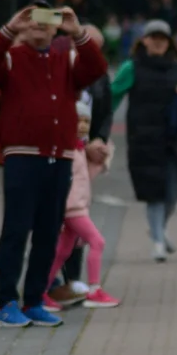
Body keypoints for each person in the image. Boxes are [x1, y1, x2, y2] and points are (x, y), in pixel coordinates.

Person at [0, 2, 108, 328]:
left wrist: (77, 32)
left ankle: (35, 299)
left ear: (55, 26)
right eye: (33, 19)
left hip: (60, 157)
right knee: (16, 230)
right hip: (23, 157)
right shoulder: (12, 57)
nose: (39, 26)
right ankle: (7, 301)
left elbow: (97, 69)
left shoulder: (67, 59)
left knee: (49, 233)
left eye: (48, 21)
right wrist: (10, 28)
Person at [111, 20, 177, 262]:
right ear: (145, 40)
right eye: (153, 37)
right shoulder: (131, 67)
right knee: (154, 193)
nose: (158, 42)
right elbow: (112, 96)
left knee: (173, 194)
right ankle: (158, 241)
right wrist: (98, 126)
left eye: (163, 38)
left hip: (174, 139)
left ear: (170, 43)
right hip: (143, 139)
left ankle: (158, 227)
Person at [45, 99, 119, 310]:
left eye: (87, 121)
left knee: (62, 251)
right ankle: (94, 290)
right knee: (98, 242)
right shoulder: (65, 149)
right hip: (72, 208)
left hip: (77, 206)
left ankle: (41, 290)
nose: (84, 125)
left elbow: (85, 176)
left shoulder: (78, 149)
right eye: (79, 120)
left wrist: (104, 157)